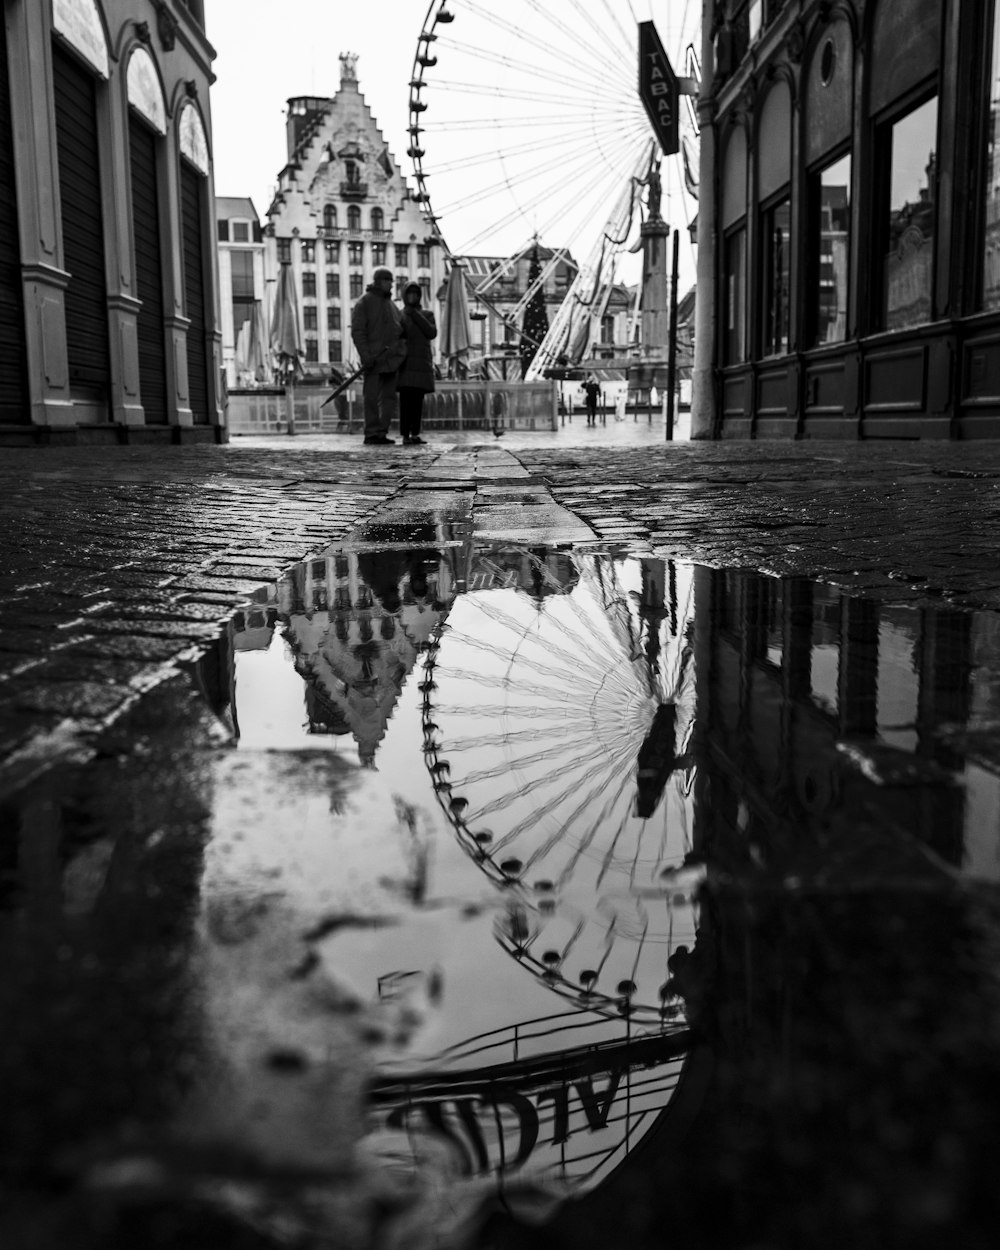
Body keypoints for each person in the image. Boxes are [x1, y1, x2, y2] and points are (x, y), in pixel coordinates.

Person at [350, 267, 407, 445]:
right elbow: (358, 331)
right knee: (372, 398)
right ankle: (372, 432)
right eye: (386, 280)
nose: (390, 284)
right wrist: (366, 355)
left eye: (391, 280)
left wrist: (399, 353)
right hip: (373, 360)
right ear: (377, 281)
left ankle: (382, 431)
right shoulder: (364, 303)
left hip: (391, 361)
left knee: (388, 399)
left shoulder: (392, 306)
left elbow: (400, 332)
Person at [397, 282, 437, 446]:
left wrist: (414, 314)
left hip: (420, 365)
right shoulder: (399, 315)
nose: (412, 296)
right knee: (405, 403)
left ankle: (415, 433)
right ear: (405, 296)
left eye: (415, 293)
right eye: (409, 293)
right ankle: (406, 433)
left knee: (417, 403)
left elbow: (431, 332)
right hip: (405, 365)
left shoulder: (427, 314)